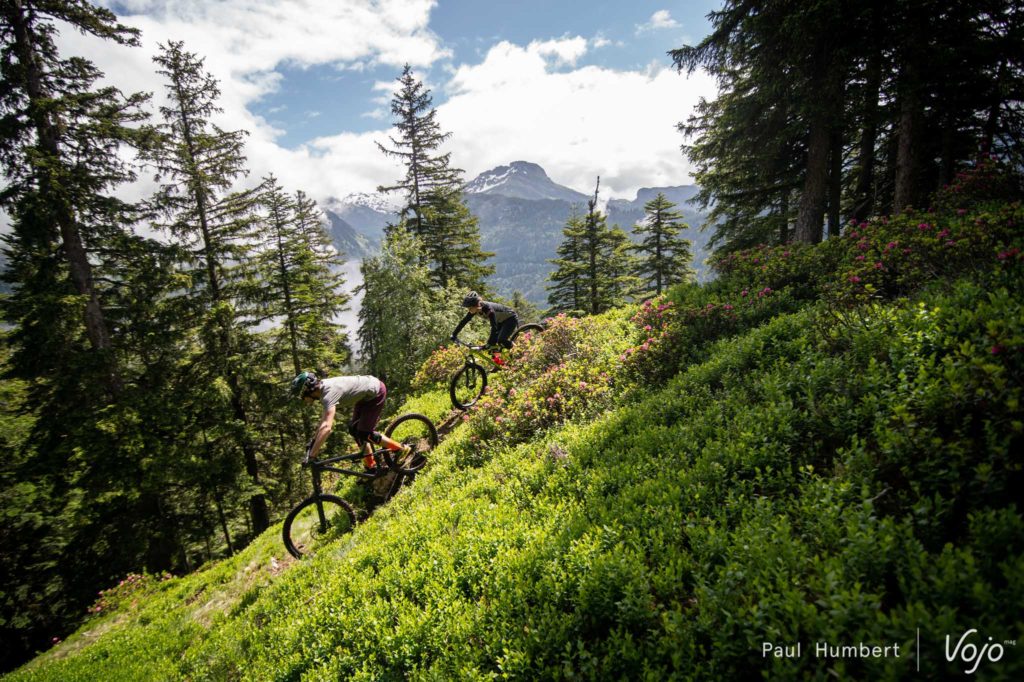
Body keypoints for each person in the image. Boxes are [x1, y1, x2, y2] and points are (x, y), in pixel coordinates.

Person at [291, 371, 407, 472]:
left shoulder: (328, 394)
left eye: (302, 397)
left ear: (307, 391)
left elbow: (327, 427)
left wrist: (312, 455)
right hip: (364, 395)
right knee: (354, 429)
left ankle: (401, 449)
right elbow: (323, 422)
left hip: (376, 392)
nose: (303, 400)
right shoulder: (322, 390)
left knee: (364, 433)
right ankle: (371, 467)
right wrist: (313, 443)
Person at [450, 291, 519, 363]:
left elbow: (494, 327)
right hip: (500, 321)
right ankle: (501, 364)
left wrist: (489, 343)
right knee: (492, 348)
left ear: (476, 305)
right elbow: (463, 322)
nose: (469, 310)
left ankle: (519, 350)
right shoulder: (474, 310)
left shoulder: (488, 310)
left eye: (470, 307)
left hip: (510, 318)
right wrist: (454, 334)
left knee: (501, 340)